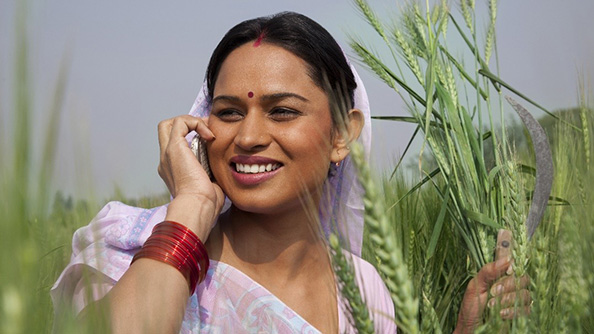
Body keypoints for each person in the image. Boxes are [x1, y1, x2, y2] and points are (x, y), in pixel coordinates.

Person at [51, 12, 530, 334]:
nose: (249, 137)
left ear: (343, 133)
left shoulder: (361, 288)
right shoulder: (127, 249)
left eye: (281, 112)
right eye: (229, 112)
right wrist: (190, 211)